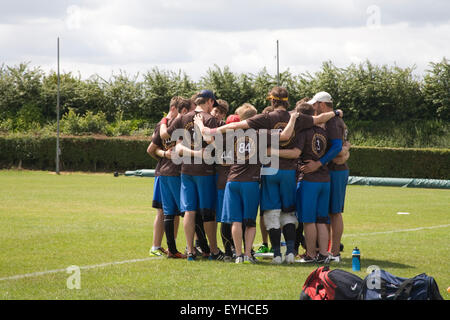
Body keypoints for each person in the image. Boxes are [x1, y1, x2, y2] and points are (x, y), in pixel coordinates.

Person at [198, 87, 340, 264]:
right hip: (289, 172)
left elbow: (234, 126)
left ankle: (273, 254)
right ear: (287, 101)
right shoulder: (295, 116)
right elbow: (319, 119)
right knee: (288, 211)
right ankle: (290, 250)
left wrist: (207, 130)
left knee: (270, 212)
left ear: (272, 101)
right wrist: (336, 112)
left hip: (268, 171)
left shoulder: (265, 118)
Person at [160, 90, 224, 261]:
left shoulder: (182, 118)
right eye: (213, 104)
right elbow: (216, 145)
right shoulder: (210, 119)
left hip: (186, 170)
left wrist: (165, 119)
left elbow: (166, 136)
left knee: (189, 210)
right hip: (205, 171)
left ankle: (190, 250)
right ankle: (212, 250)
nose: (213, 108)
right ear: (210, 101)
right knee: (208, 212)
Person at [301, 92, 350, 262]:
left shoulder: (332, 121)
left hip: (336, 170)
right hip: (333, 170)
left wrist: (319, 163)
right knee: (327, 214)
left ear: (322, 104)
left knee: (335, 212)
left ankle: (334, 253)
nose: (313, 107)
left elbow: (337, 147)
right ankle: (326, 250)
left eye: (315, 104)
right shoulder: (333, 118)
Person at [148, 97, 192, 259]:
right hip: (168, 174)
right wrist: (165, 155)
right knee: (168, 211)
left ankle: (170, 247)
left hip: (167, 172)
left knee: (170, 212)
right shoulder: (167, 124)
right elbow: (151, 149)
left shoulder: (167, 124)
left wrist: (163, 155)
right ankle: (158, 246)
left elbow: (153, 149)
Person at [292, 102, 331, 263]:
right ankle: (323, 254)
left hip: (309, 181)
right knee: (321, 219)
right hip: (325, 180)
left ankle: (310, 255)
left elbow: (296, 153)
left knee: (308, 221)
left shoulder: (303, 132)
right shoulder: (323, 132)